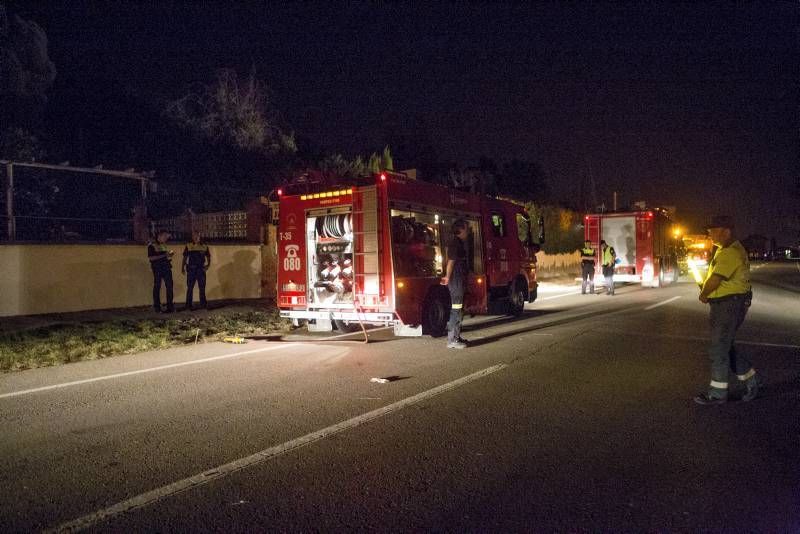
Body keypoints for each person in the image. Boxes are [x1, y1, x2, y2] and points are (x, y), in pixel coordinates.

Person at [694, 215, 761, 405]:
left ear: (726, 231)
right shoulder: (724, 250)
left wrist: (704, 293)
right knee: (724, 347)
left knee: (718, 348)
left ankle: (717, 394)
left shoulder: (731, 252)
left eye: (713, 231)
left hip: (729, 305)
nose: (709, 234)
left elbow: (716, 279)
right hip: (726, 304)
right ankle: (752, 381)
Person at [440, 219, 470, 349]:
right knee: (456, 310)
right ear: (460, 229)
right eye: (466, 228)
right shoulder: (455, 243)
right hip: (456, 281)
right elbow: (451, 262)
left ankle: (456, 336)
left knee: (459, 310)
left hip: (459, 280)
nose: (467, 231)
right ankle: (452, 340)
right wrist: (447, 277)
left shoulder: (458, 243)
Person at [182, 230, 211, 310]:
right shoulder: (188, 245)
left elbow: (208, 256)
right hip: (191, 269)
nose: (195, 237)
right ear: (192, 237)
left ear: (199, 236)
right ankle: (188, 305)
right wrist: (182, 268)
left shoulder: (204, 246)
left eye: (197, 236)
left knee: (202, 287)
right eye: (194, 236)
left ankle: (203, 304)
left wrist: (208, 265)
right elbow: (185, 257)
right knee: (190, 287)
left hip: (201, 270)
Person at [147, 230, 174, 313]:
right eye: (165, 237)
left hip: (166, 268)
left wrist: (168, 256)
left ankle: (170, 307)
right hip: (158, 269)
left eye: (166, 237)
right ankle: (157, 307)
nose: (166, 238)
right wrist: (164, 255)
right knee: (157, 287)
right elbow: (151, 258)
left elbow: (164, 256)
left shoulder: (163, 245)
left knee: (169, 287)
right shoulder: (152, 245)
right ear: (159, 236)